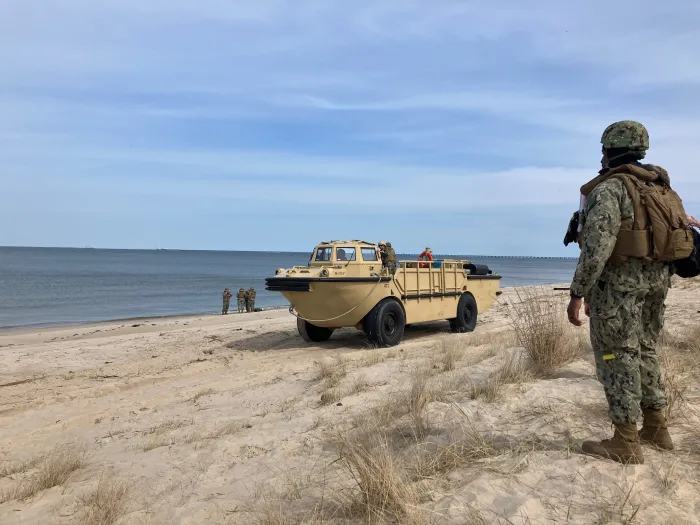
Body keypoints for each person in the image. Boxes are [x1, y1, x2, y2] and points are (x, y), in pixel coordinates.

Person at [567, 120, 683, 464]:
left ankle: (625, 441)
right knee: (645, 350)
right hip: (656, 285)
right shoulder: (660, 188)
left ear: (607, 150)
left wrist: (577, 292)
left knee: (616, 357)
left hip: (618, 289)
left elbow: (596, 249)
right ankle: (657, 428)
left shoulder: (610, 188)